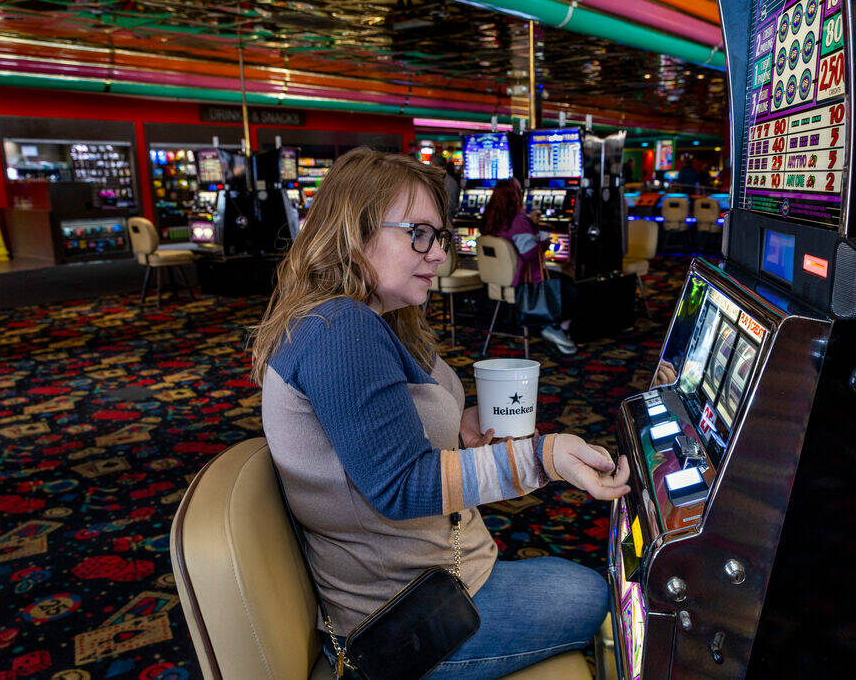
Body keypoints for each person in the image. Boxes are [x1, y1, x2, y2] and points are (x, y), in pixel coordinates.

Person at [250, 147, 631, 679]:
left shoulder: (369, 318)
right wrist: (544, 457)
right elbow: (402, 484)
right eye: (419, 234)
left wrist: (459, 425)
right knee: (606, 592)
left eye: (441, 238)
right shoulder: (339, 331)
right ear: (353, 231)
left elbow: (381, 429)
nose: (437, 255)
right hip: (400, 618)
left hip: (428, 575)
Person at [480, 178, 577, 355]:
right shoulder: (517, 220)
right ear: (515, 196)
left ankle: (554, 328)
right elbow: (529, 253)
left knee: (560, 279)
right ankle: (555, 326)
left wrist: (529, 222)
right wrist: (545, 244)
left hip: (497, 280)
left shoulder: (490, 218)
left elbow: (516, 238)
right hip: (523, 283)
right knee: (568, 284)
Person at [431, 154, 459, 222]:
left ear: (433, 165)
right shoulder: (435, 179)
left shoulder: (449, 182)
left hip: (442, 222)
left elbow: (450, 207)